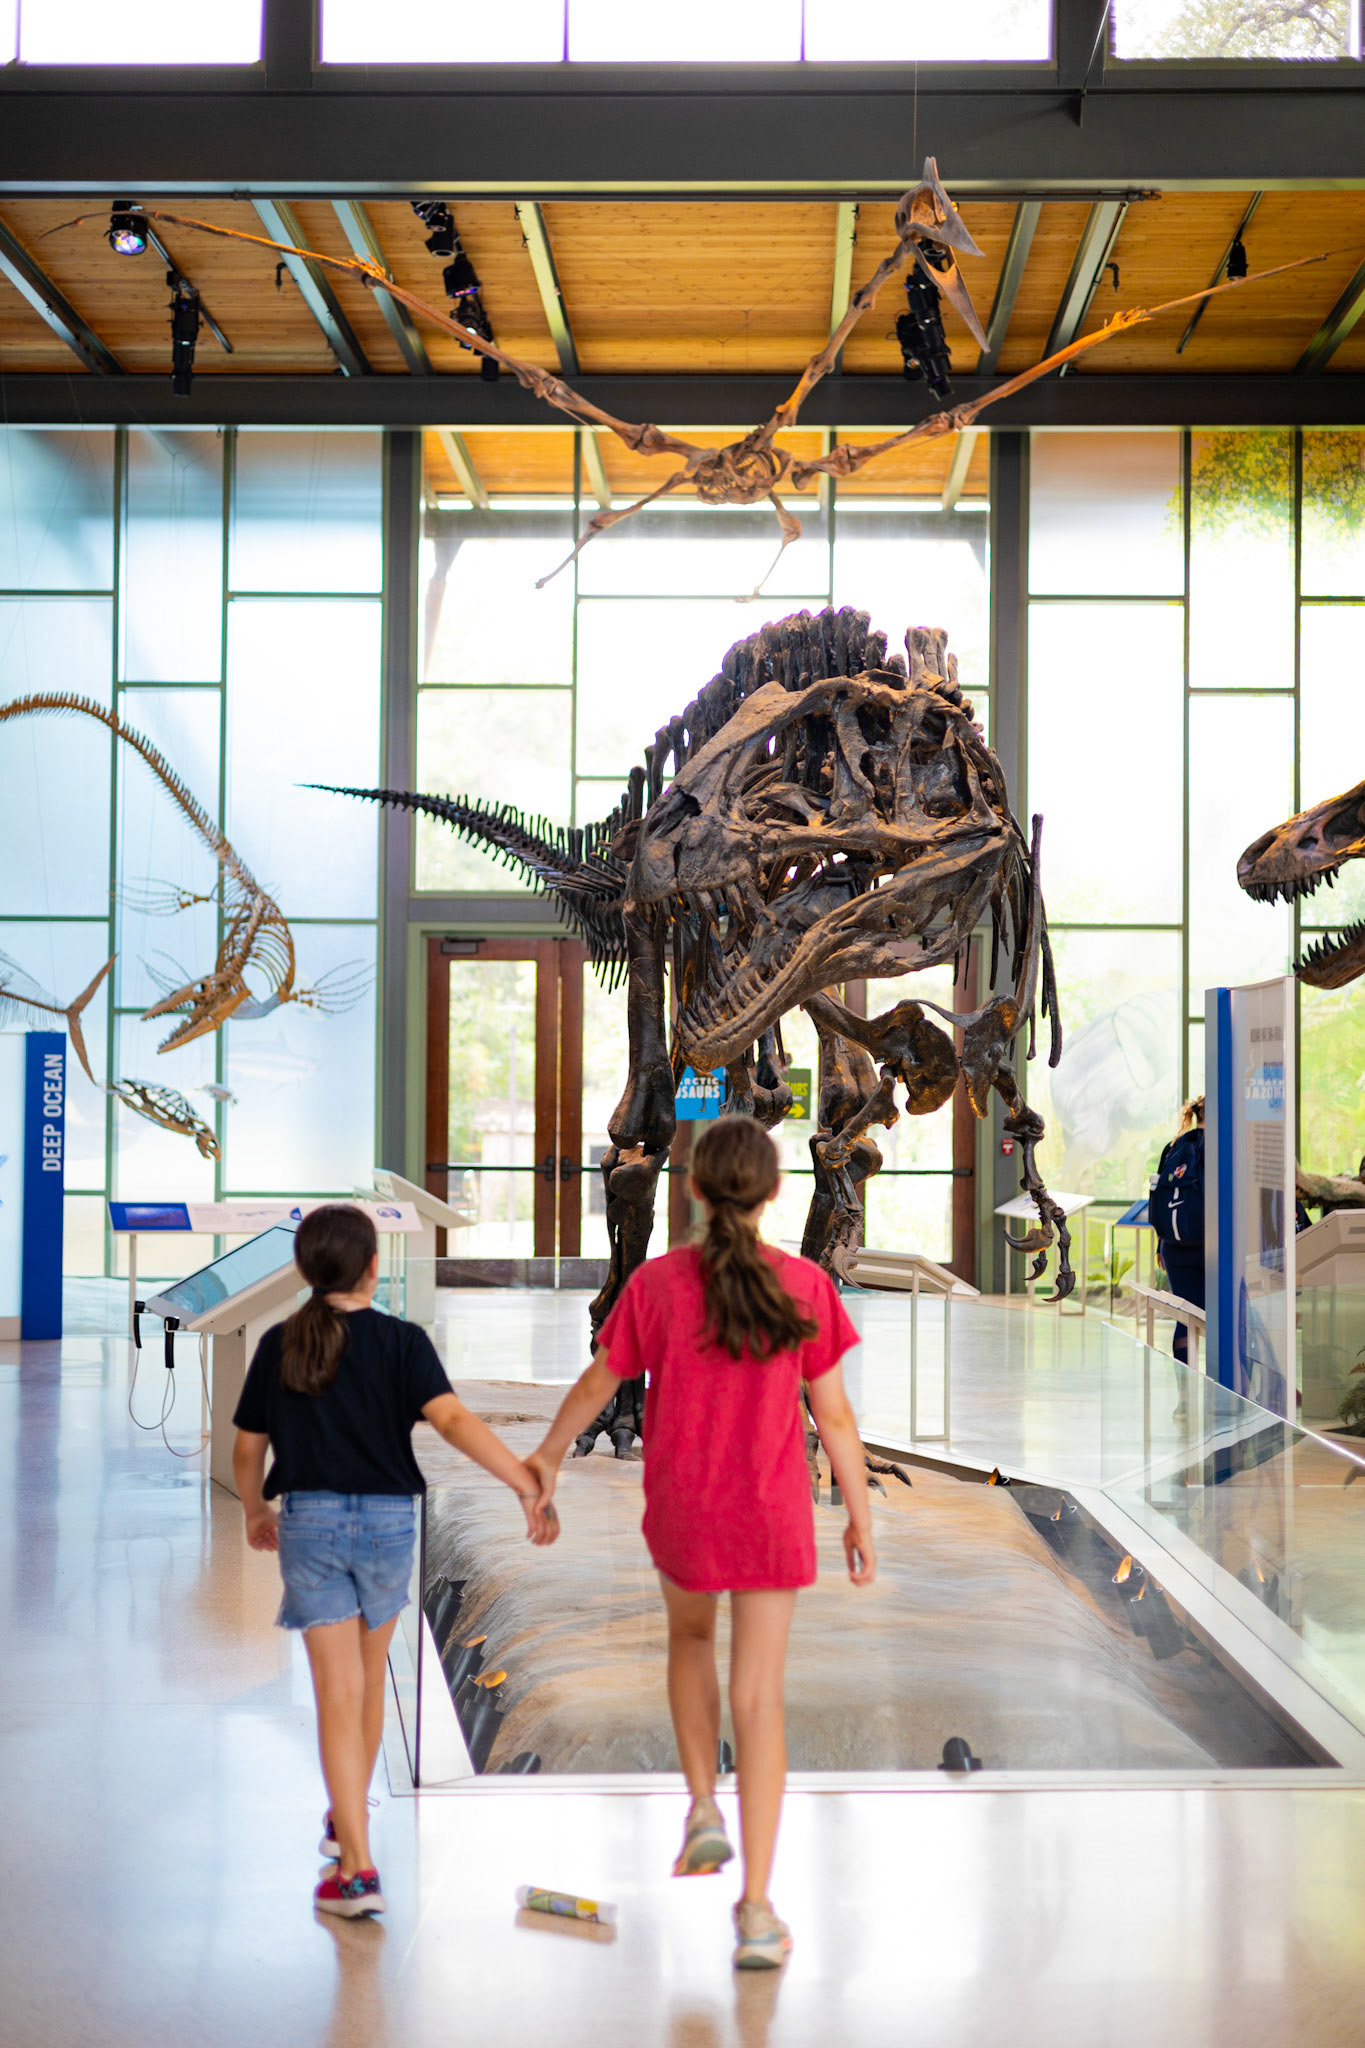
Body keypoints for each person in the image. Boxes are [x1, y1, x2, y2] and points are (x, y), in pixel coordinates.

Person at [526, 1115, 875, 1972]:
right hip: (770, 1511)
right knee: (759, 1699)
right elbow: (832, 1415)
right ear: (772, 1192)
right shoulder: (803, 1288)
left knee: (689, 1640)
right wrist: (859, 1510)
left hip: (684, 1506)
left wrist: (545, 1457)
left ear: (690, 1187)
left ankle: (701, 1808)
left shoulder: (657, 1285)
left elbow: (597, 1380)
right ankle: (755, 1911)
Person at [232, 1204, 556, 1919]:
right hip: (386, 1526)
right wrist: (521, 1479)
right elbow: (454, 1421)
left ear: (306, 1269)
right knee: (370, 1689)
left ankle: (354, 1866)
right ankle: (351, 1827)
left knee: (335, 1696)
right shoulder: (403, 1342)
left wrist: (257, 1510)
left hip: (311, 1523)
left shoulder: (281, 1343)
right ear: (374, 1268)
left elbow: (248, 1448)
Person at [1150, 1095, 1205, 1366]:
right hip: (1212, 1246)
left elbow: (1160, 1199)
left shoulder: (1173, 1148)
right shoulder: (1221, 1147)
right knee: (1237, 1318)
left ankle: (1186, 1400)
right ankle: (1241, 1393)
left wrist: (1160, 1245)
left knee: (1186, 1319)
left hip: (1173, 1248)